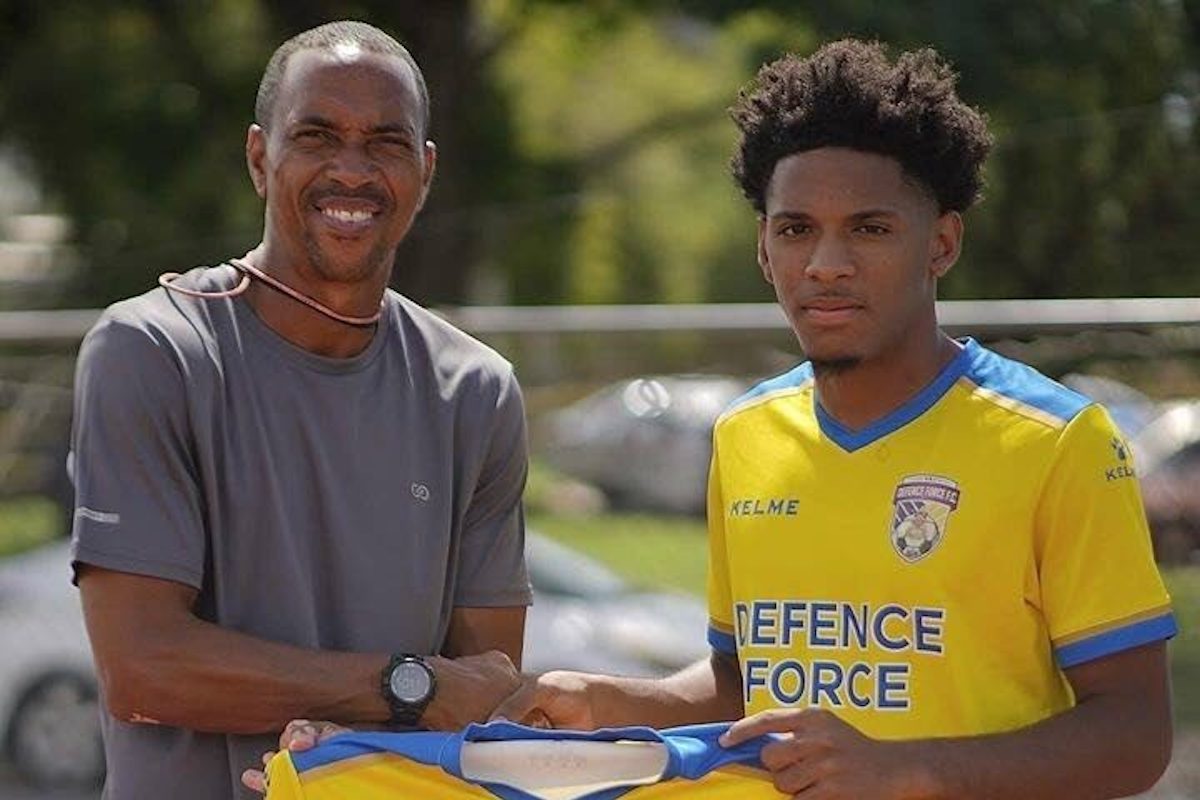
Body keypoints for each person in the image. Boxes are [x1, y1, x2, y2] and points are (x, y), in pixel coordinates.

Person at [487, 39, 1177, 798]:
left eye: (870, 228)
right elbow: (743, 682)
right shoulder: (745, 435)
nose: (826, 263)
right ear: (763, 249)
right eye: (796, 229)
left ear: (941, 243)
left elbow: (1135, 735)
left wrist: (903, 770)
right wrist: (621, 701)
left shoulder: (1056, 441)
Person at [69, 20, 532, 800]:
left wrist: (378, 721)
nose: (351, 171)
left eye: (385, 143)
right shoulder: (154, 351)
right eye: (316, 135)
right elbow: (142, 668)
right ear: (260, 157)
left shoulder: (475, 391)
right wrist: (400, 686)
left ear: (424, 172)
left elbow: (486, 698)